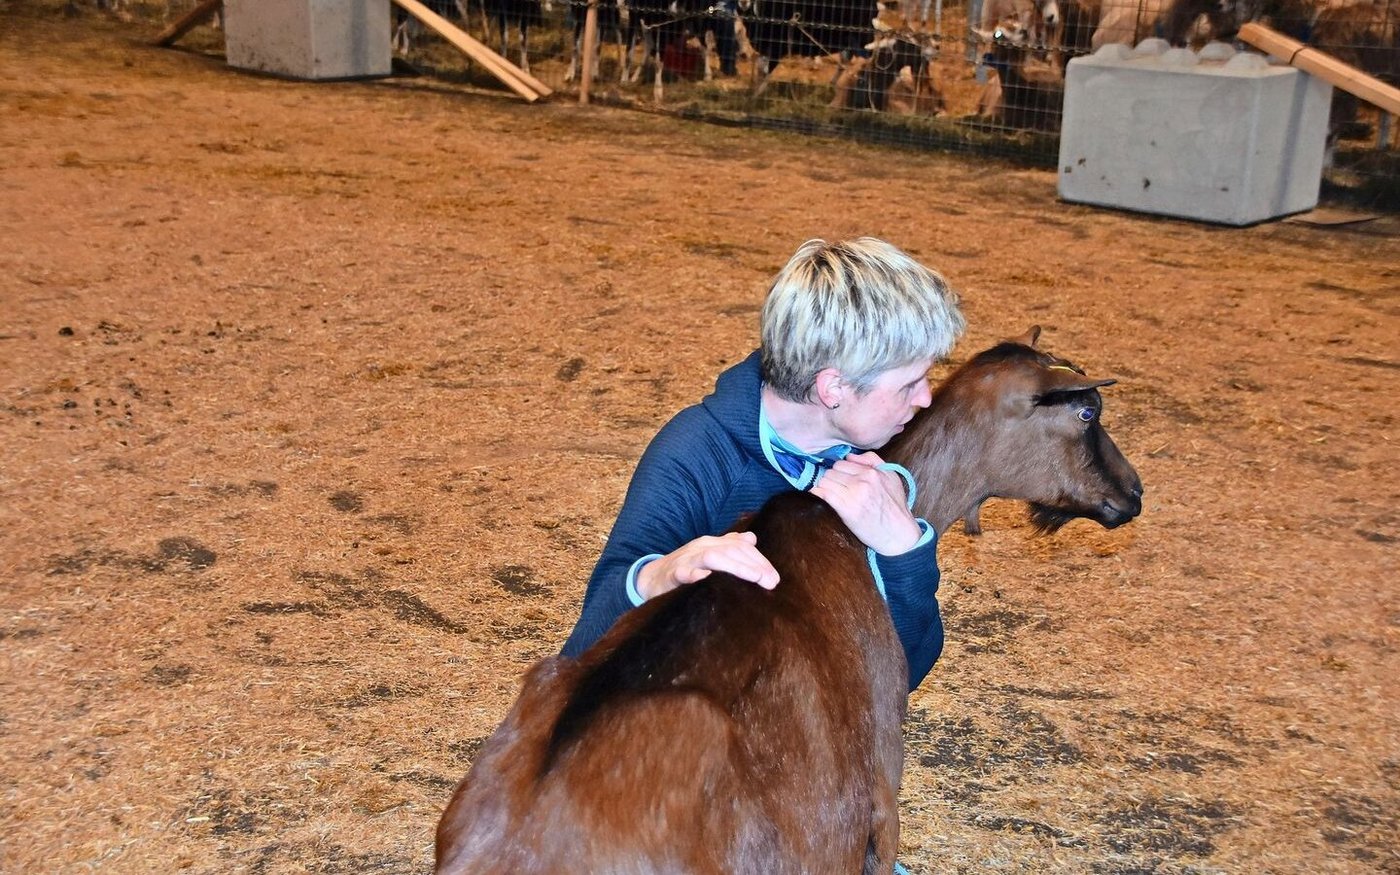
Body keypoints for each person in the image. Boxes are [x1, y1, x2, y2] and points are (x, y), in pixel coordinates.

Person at [560, 237, 965, 691]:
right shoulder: (698, 454)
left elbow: (902, 676)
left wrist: (904, 550)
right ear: (833, 388)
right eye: (910, 384)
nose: (927, 398)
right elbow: (579, 657)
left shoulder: (868, 462)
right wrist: (661, 574)